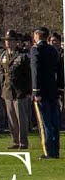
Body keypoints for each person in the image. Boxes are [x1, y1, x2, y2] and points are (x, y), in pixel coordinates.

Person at [29, 27, 60, 159]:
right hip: (53, 90)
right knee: (54, 122)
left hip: (42, 91)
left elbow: (36, 71)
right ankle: (55, 149)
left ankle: (48, 151)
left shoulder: (36, 49)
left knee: (44, 122)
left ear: (37, 36)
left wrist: (36, 91)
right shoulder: (53, 50)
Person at [1, 31, 32, 150]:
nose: (8, 43)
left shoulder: (23, 55)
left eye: (10, 40)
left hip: (20, 90)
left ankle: (23, 142)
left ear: (16, 42)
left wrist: (29, 91)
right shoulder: (3, 55)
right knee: (11, 118)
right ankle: (15, 141)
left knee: (21, 118)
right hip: (8, 90)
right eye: (6, 40)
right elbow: (2, 73)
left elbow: (28, 75)